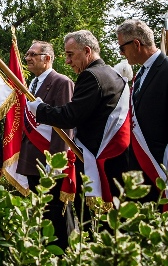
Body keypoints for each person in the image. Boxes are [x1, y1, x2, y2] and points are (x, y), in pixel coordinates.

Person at [28, 30, 129, 206]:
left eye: (70, 55)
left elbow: (71, 116)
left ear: (87, 51)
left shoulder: (90, 76)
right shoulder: (113, 74)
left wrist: (40, 109)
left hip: (96, 156)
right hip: (116, 158)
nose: (67, 61)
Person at [118, 19, 168, 218]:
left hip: (166, 164)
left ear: (136, 44)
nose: (121, 53)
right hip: (146, 166)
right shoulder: (142, 74)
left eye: (122, 47)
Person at [16, 41, 75, 248]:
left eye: (33, 54)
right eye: (27, 54)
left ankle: (65, 253)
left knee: (57, 213)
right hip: (33, 160)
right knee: (40, 212)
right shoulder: (31, 84)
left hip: (50, 161)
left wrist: (56, 161)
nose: (28, 58)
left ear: (47, 58)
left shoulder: (62, 82)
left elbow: (64, 125)